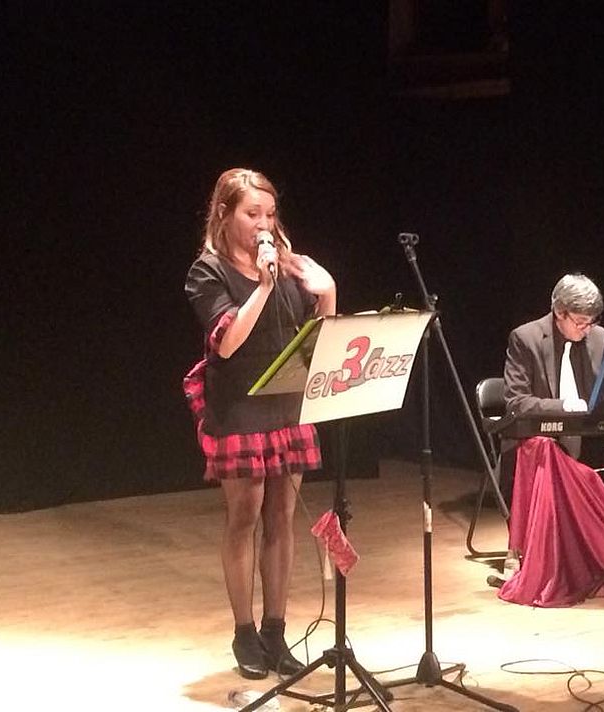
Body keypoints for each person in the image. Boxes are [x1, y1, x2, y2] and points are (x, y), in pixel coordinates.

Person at [184, 168, 336, 680]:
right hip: (240, 409)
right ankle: (244, 633)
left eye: (270, 214)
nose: (264, 224)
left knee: (282, 519)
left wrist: (328, 293)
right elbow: (226, 340)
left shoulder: (289, 265)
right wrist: (265, 285)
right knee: (243, 518)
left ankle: (276, 630)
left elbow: (320, 345)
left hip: (287, 405)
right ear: (225, 215)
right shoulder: (207, 271)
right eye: (253, 214)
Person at [501, 273, 604, 520]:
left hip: (583, 440)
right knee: (554, 472)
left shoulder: (598, 336)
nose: (587, 329)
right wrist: (565, 406)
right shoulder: (525, 338)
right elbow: (516, 402)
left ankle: (597, 537)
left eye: (592, 321)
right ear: (560, 312)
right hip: (540, 443)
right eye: (581, 322)